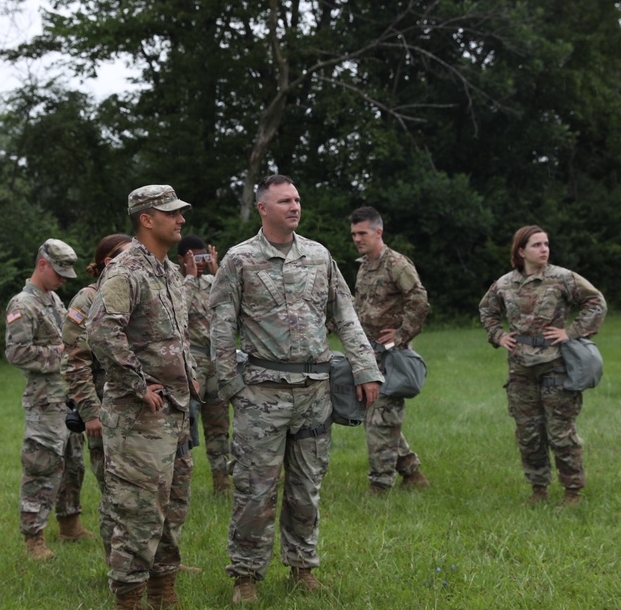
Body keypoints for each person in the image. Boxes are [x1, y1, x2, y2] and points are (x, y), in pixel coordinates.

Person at [210, 174, 383, 604]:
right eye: (285, 200)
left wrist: (366, 369)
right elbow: (220, 327)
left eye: (297, 199)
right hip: (262, 394)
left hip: (314, 391)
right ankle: (246, 575)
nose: (294, 206)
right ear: (263, 208)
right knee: (256, 489)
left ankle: (303, 567)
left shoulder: (319, 256)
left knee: (307, 487)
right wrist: (233, 387)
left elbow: (345, 315)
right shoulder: (239, 259)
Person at [87, 185, 197, 610]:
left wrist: (189, 378)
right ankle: (129, 600)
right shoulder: (125, 270)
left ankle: (163, 592)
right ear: (146, 219)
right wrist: (137, 382)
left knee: (172, 510)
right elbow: (100, 330)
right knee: (136, 514)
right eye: (172, 213)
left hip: (176, 414)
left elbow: (172, 338)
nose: (181, 220)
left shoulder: (169, 271)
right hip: (139, 419)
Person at [478, 225, 607, 507]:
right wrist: (498, 336)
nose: (544, 249)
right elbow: (486, 310)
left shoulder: (562, 278)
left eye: (546, 243)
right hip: (520, 370)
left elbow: (596, 302)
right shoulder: (504, 284)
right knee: (529, 433)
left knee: (561, 433)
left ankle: (572, 491)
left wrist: (572, 333)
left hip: (555, 367)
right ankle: (538, 490)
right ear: (521, 251)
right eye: (537, 245)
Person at [6, 238, 93, 560]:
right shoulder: (22, 304)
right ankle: (34, 539)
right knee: (41, 469)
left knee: (73, 465)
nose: (63, 279)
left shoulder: (53, 298)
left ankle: (70, 524)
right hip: (44, 403)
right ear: (42, 264)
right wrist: (61, 355)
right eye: (59, 272)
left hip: (66, 400)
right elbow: (16, 353)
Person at [349, 206, 431, 495]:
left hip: (391, 357)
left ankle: (380, 486)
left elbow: (419, 300)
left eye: (363, 233)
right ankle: (411, 470)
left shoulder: (396, 264)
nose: (358, 238)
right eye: (354, 234)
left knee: (381, 419)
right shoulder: (365, 266)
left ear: (378, 232)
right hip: (367, 355)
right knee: (376, 416)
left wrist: (401, 335)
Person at [61, 233, 132, 557]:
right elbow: (75, 362)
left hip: (140, 407)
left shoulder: (133, 292)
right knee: (115, 491)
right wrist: (89, 411)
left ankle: (157, 562)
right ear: (109, 261)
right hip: (105, 410)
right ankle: (120, 566)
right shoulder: (87, 301)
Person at [176, 234, 232, 495]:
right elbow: (178, 313)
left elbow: (233, 306)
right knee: (183, 423)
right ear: (182, 259)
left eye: (202, 257)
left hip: (215, 360)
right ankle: (178, 483)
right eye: (194, 258)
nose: (199, 263)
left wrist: (217, 271)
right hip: (190, 360)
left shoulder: (213, 282)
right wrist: (189, 277)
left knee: (219, 424)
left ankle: (222, 481)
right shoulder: (175, 284)